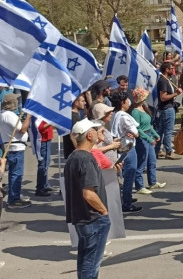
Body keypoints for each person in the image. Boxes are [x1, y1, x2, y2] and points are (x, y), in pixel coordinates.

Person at [64, 119, 111, 279]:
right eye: (96, 130)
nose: (100, 133)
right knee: (91, 265)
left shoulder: (73, 157)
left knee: (85, 260)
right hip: (92, 218)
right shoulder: (86, 159)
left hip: (82, 217)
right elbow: (88, 193)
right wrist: (104, 211)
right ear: (90, 135)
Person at [110, 89, 142, 213]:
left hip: (119, 147)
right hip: (127, 147)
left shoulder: (115, 114)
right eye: (127, 100)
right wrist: (136, 134)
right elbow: (136, 132)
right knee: (130, 174)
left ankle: (125, 198)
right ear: (123, 102)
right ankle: (126, 203)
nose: (129, 102)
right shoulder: (124, 116)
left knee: (124, 174)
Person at [130, 88, 166, 195]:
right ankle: (139, 186)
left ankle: (153, 182)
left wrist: (155, 134)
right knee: (142, 162)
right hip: (142, 138)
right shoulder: (135, 112)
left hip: (149, 134)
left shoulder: (143, 108)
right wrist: (149, 139)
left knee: (152, 160)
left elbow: (148, 125)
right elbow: (138, 128)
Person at [0, 93, 32, 208]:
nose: (18, 102)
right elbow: (22, 130)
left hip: (13, 147)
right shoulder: (9, 115)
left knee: (14, 174)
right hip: (15, 148)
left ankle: (14, 196)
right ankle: (14, 200)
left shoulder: (5, 114)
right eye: (16, 100)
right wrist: (28, 116)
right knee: (16, 174)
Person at [157, 62, 183, 159]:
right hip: (167, 108)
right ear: (167, 69)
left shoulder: (167, 80)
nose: (173, 70)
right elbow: (163, 97)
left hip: (167, 108)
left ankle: (157, 149)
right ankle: (169, 151)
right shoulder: (163, 81)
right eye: (171, 68)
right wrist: (175, 94)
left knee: (161, 130)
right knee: (168, 130)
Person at [35, 120, 56, 197]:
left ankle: (45, 184)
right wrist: (51, 123)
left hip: (47, 139)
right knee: (43, 164)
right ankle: (40, 188)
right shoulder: (39, 115)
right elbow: (40, 127)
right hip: (43, 140)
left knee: (46, 163)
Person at [63, 94, 86, 159]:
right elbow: (72, 135)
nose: (85, 103)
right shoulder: (72, 117)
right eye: (82, 101)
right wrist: (79, 150)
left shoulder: (75, 115)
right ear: (76, 103)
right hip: (73, 154)